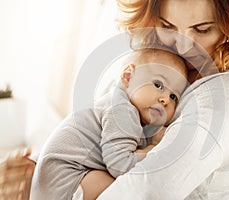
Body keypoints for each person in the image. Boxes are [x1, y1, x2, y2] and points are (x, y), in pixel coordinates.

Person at [0, 0, 229, 199]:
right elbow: (92, 130)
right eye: (168, 26)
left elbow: (147, 190)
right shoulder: (140, 73)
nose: (180, 45)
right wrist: (32, 169)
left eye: (201, 30)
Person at [30, 48, 188, 200]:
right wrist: (152, 149)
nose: (165, 100)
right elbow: (120, 165)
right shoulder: (122, 111)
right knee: (128, 191)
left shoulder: (119, 104)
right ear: (128, 76)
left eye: (173, 96)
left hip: (48, 182)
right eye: (158, 85)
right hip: (63, 182)